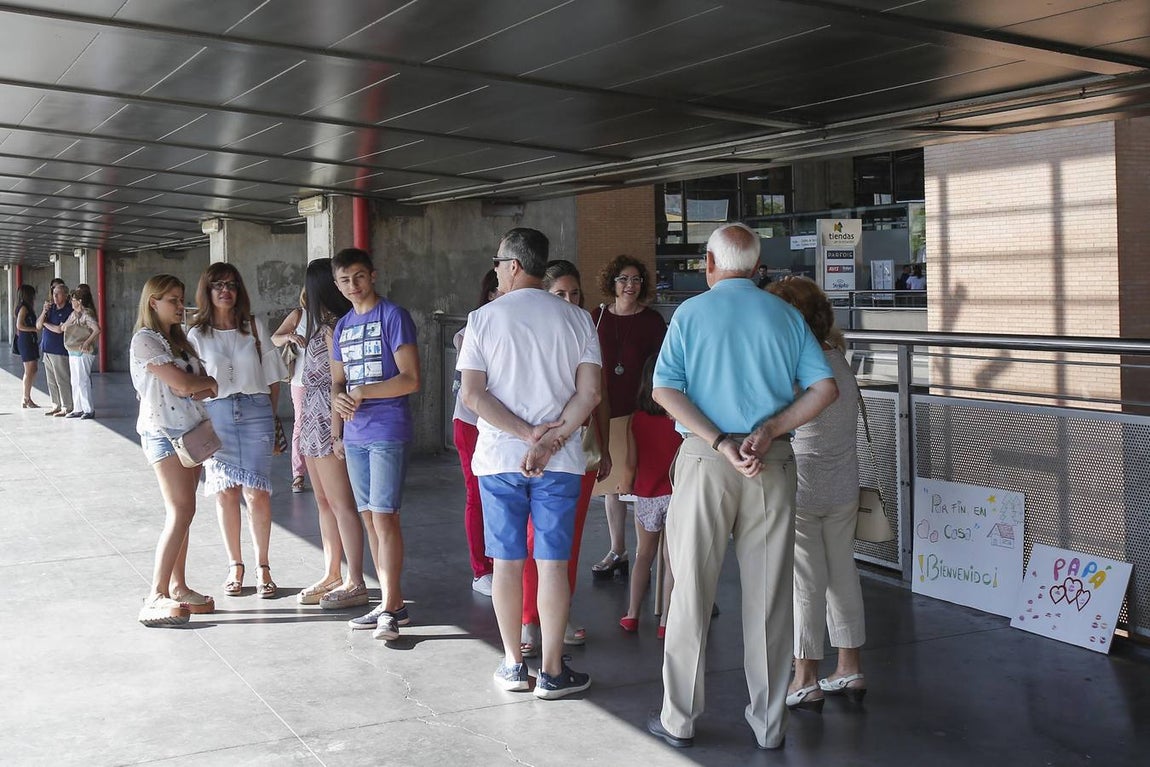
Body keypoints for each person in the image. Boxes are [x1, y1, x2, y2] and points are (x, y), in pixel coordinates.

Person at [647, 222, 837, 751]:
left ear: (709, 263)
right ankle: (770, 725)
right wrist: (770, 429)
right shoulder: (785, 315)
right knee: (770, 599)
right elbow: (826, 388)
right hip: (770, 463)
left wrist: (718, 440)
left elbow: (665, 388)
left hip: (707, 463)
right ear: (757, 268)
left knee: (690, 594)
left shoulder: (689, 314)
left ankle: (679, 719)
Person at [458, 228, 601, 699]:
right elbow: (590, 394)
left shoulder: (482, 319)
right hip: (560, 463)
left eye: (498, 261)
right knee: (553, 564)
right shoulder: (579, 319)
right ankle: (554, 671)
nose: (496, 269)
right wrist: (551, 439)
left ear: (514, 265)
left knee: (506, 564)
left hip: (500, 459)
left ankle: (514, 665)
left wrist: (524, 435)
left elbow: (473, 394)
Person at [768, 277, 868, 710]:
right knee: (842, 573)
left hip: (804, 484)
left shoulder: (795, 369)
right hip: (844, 482)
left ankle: (804, 675)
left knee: (805, 579)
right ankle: (849, 666)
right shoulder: (837, 358)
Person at [519, 260, 610, 656]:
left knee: (565, 543)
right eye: (561, 294)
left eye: (575, 294)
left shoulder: (585, 329)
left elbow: (596, 396)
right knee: (528, 541)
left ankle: (558, 614)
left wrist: (603, 445)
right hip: (527, 448)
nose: (570, 301)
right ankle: (527, 619)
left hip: (576, 450)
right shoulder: (528, 332)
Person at [330, 248, 421, 641]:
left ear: (373, 275)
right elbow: (337, 382)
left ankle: (390, 606)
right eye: (345, 280)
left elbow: (410, 378)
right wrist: (337, 426)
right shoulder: (342, 326)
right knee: (369, 517)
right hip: (354, 435)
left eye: (359, 277)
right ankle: (390, 603)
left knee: (385, 517)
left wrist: (365, 391)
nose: (353, 285)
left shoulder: (393, 316)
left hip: (387, 429)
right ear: (337, 285)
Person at [188, 264, 287, 600]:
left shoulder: (254, 327)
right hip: (216, 413)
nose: (224, 291)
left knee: (257, 493)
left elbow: (273, 378)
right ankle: (235, 565)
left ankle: (263, 567)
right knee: (225, 492)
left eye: (230, 284)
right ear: (207, 291)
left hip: (256, 411)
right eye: (217, 285)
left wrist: (270, 417)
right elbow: (191, 384)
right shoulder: (196, 335)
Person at [130, 274, 219, 626]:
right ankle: (155, 593)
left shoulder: (179, 342)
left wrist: (202, 384)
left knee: (187, 511)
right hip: (163, 434)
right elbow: (186, 385)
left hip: (191, 432)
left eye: (181, 299)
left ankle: (178, 587)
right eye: (173, 300)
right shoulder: (145, 340)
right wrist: (203, 383)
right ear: (153, 302)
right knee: (179, 510)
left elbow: (202, 388)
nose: (181, 306)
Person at [293, 259, 369, 611]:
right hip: (312, 416)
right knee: (323, 501)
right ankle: (332, 572)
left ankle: (355, 578)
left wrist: (338, 432)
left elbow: (342, 382)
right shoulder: (318, 326)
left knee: (342, 503)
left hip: (329, 418)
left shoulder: (336, 327)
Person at [589, 255, 666, 581]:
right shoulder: (598, 317)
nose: (630, 285)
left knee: (644, 485)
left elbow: (662, 366)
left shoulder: (652, 321)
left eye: (635, 279)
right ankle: (617, 548)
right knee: (612, 487)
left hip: (642, 412)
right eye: (623, 279)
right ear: (612, 282)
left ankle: (645, 555)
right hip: (608, 409)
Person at [619, 354, 681, 638]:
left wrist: (626, 485)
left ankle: (632, 614)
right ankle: (666, 621)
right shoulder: (680, 419)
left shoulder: (637, 419)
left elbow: (631, 461)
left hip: (646, 493)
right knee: (672, 561)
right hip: (676, 492)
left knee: (643, 555)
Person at [453, 269, 500, 597]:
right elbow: (473, 390)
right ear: (489, 295)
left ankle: (504, 564)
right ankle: (481, 569)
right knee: (477, 493)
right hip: (472, 423)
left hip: (505, 426)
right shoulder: (469, 331)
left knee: (501, 496)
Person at [272, 289, 309, 494]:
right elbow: (275, 338)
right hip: (301, 381)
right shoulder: (299, 314)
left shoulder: (332, 314)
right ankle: (298, 474)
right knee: (301, 425)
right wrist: (290, 337)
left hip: (329, 382)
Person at [61, 287, 102, 419]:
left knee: (82, 380)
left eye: (73, 299)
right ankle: (78, 408)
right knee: (75, 380)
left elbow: (96, 329)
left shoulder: (86, 314)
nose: (71, 302)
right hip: (73, 350)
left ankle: (88, 409)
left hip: (84, 351)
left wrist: (87, 342)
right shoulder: (74, 314)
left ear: (79, 301)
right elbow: (64, 326)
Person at [36, 279, 74, 416]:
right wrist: (43, 312)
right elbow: (38, 325)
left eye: (58, 294)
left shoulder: (69, 310)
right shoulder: (50, 309)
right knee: (51, 380)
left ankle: (67, 405)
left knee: (62, 379)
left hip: (59, 350)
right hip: (47, 349)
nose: (55, 297)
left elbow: (59, 329)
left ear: (65, 295)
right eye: (54, 294)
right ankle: (55, 404)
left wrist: (46, 324)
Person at [14, 284, 40, 408]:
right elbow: (19, 325)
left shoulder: (26, 307)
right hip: (26, 340)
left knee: (33, 368)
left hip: (29, 339)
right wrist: (34, 329)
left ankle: (27, 397)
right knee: (29, 369)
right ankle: (26, 398)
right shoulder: (24, 308)